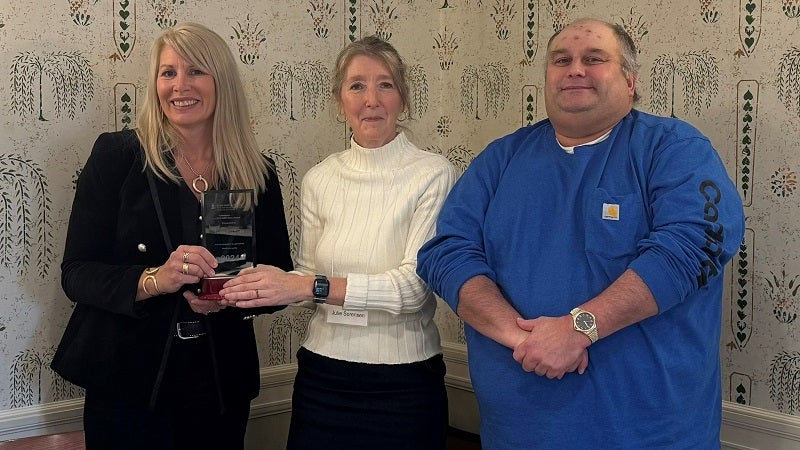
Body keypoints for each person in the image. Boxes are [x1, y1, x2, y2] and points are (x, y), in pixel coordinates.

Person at [416, 18, 745, 449]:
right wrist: (523, 338)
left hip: (651, 432)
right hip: (517, 432)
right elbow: (446, 253)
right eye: (561, 60)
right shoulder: (502, 158)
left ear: (630, 80)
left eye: (594, 59)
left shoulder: (674, 148)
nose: (575, 69)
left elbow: (697, 242)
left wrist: (577, 329)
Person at [51, 22, 293, 450]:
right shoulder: (118, 156)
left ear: (222, 83)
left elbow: (277, 277)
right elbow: (76, 273)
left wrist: (230, 298)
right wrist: (153, 279)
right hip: (127, 388)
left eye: (197, 71)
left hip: (219, 388)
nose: (180, 85)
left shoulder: (256, 172)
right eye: (168, 73)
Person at [219, 36, 456, 450]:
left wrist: (306, 285)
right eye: (357, 85)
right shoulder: (320, 178)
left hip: (403, 383)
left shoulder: (432, 173)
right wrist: (246, 285)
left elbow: (413, 289)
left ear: (403, 98)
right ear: (339, 100)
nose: (371, 99)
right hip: (323, 378)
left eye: (385, 84)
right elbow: (307, 283)